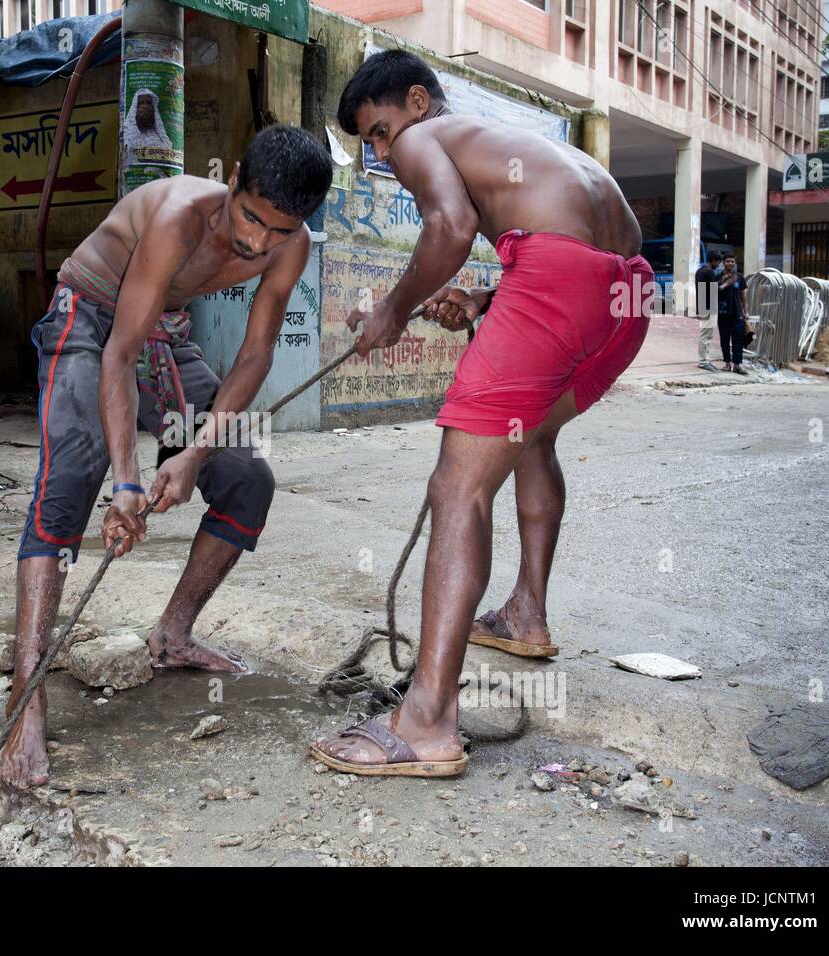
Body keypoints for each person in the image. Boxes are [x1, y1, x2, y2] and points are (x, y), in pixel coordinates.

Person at [312, 50, 650, 778]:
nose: (382, 152)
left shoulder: (426, 138)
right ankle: (526, 612)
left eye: (378, 131)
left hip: (560, 283)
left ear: (417, 101)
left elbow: (450, 227)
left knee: (457, 487)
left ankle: (427, 719)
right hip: (628, 295)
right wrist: (489, 299)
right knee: (529, 438)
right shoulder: (522, 146)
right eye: (369, 143)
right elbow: (584, 251)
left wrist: (392, 312)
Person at [0, 125, 333, 788]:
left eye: (280, 230)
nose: (258, 243)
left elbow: (256, 356)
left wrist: (197, 452)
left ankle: (173, 634)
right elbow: (117, 355)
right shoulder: (180, 217)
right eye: (251, 219)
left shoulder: (286, 246)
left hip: (163, 333)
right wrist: (128, 482)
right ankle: (25, 693)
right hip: (91, 317)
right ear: (233, 179)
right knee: (73, 473)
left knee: (246, 478)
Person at [716, 253, 748, 375]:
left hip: (737, 314)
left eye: (732, 261)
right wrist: (723, 282)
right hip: (722, 313)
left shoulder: (740, 278)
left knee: (738, 340)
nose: (730, 263)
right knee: (724, 340)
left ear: (735, 263)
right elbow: (712, 293)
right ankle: (727, 364)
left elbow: (743, 296)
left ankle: (737, 365)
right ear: (723, 263)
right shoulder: (717, 277)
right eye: (728, 261)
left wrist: (746, 311)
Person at [695, 251, 722, 371]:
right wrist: (726, 283)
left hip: (702, 305)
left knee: (704, 334)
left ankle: (704, 360)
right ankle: (703, 361)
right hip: (709, 306)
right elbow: (714, 289)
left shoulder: (700, 271)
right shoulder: (709, 271)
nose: (719, 265)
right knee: (706, 335)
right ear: (713, 260)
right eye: (718, 262)